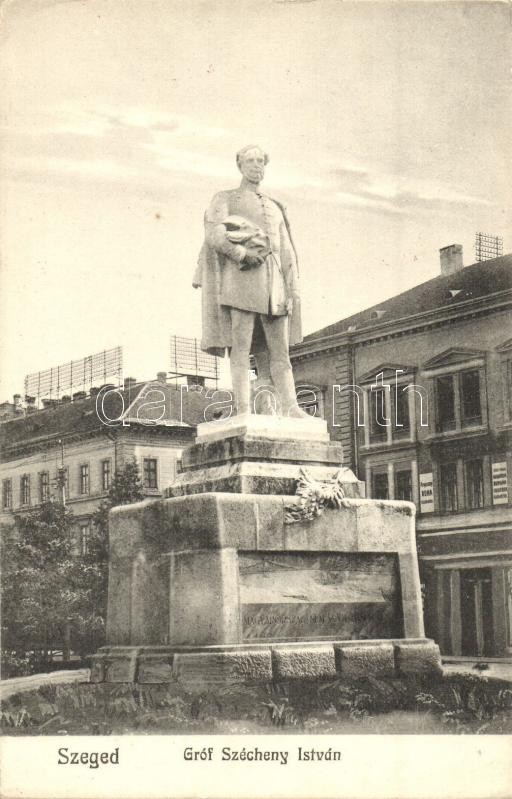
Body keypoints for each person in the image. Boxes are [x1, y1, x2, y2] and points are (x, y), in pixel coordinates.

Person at [193, 145, 307, 417]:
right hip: (241, 282)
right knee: (241, 350)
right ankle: (242, 407)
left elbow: (287, 251)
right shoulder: (225, 198)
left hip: (274, 287)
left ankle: (291, 407)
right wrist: (241, 254)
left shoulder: (276, 206)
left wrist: (292, 289)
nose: (257, 165)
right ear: (240, 165)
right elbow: (214, 234)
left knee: (280, 353)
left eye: (260, 161)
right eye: (251, 161)